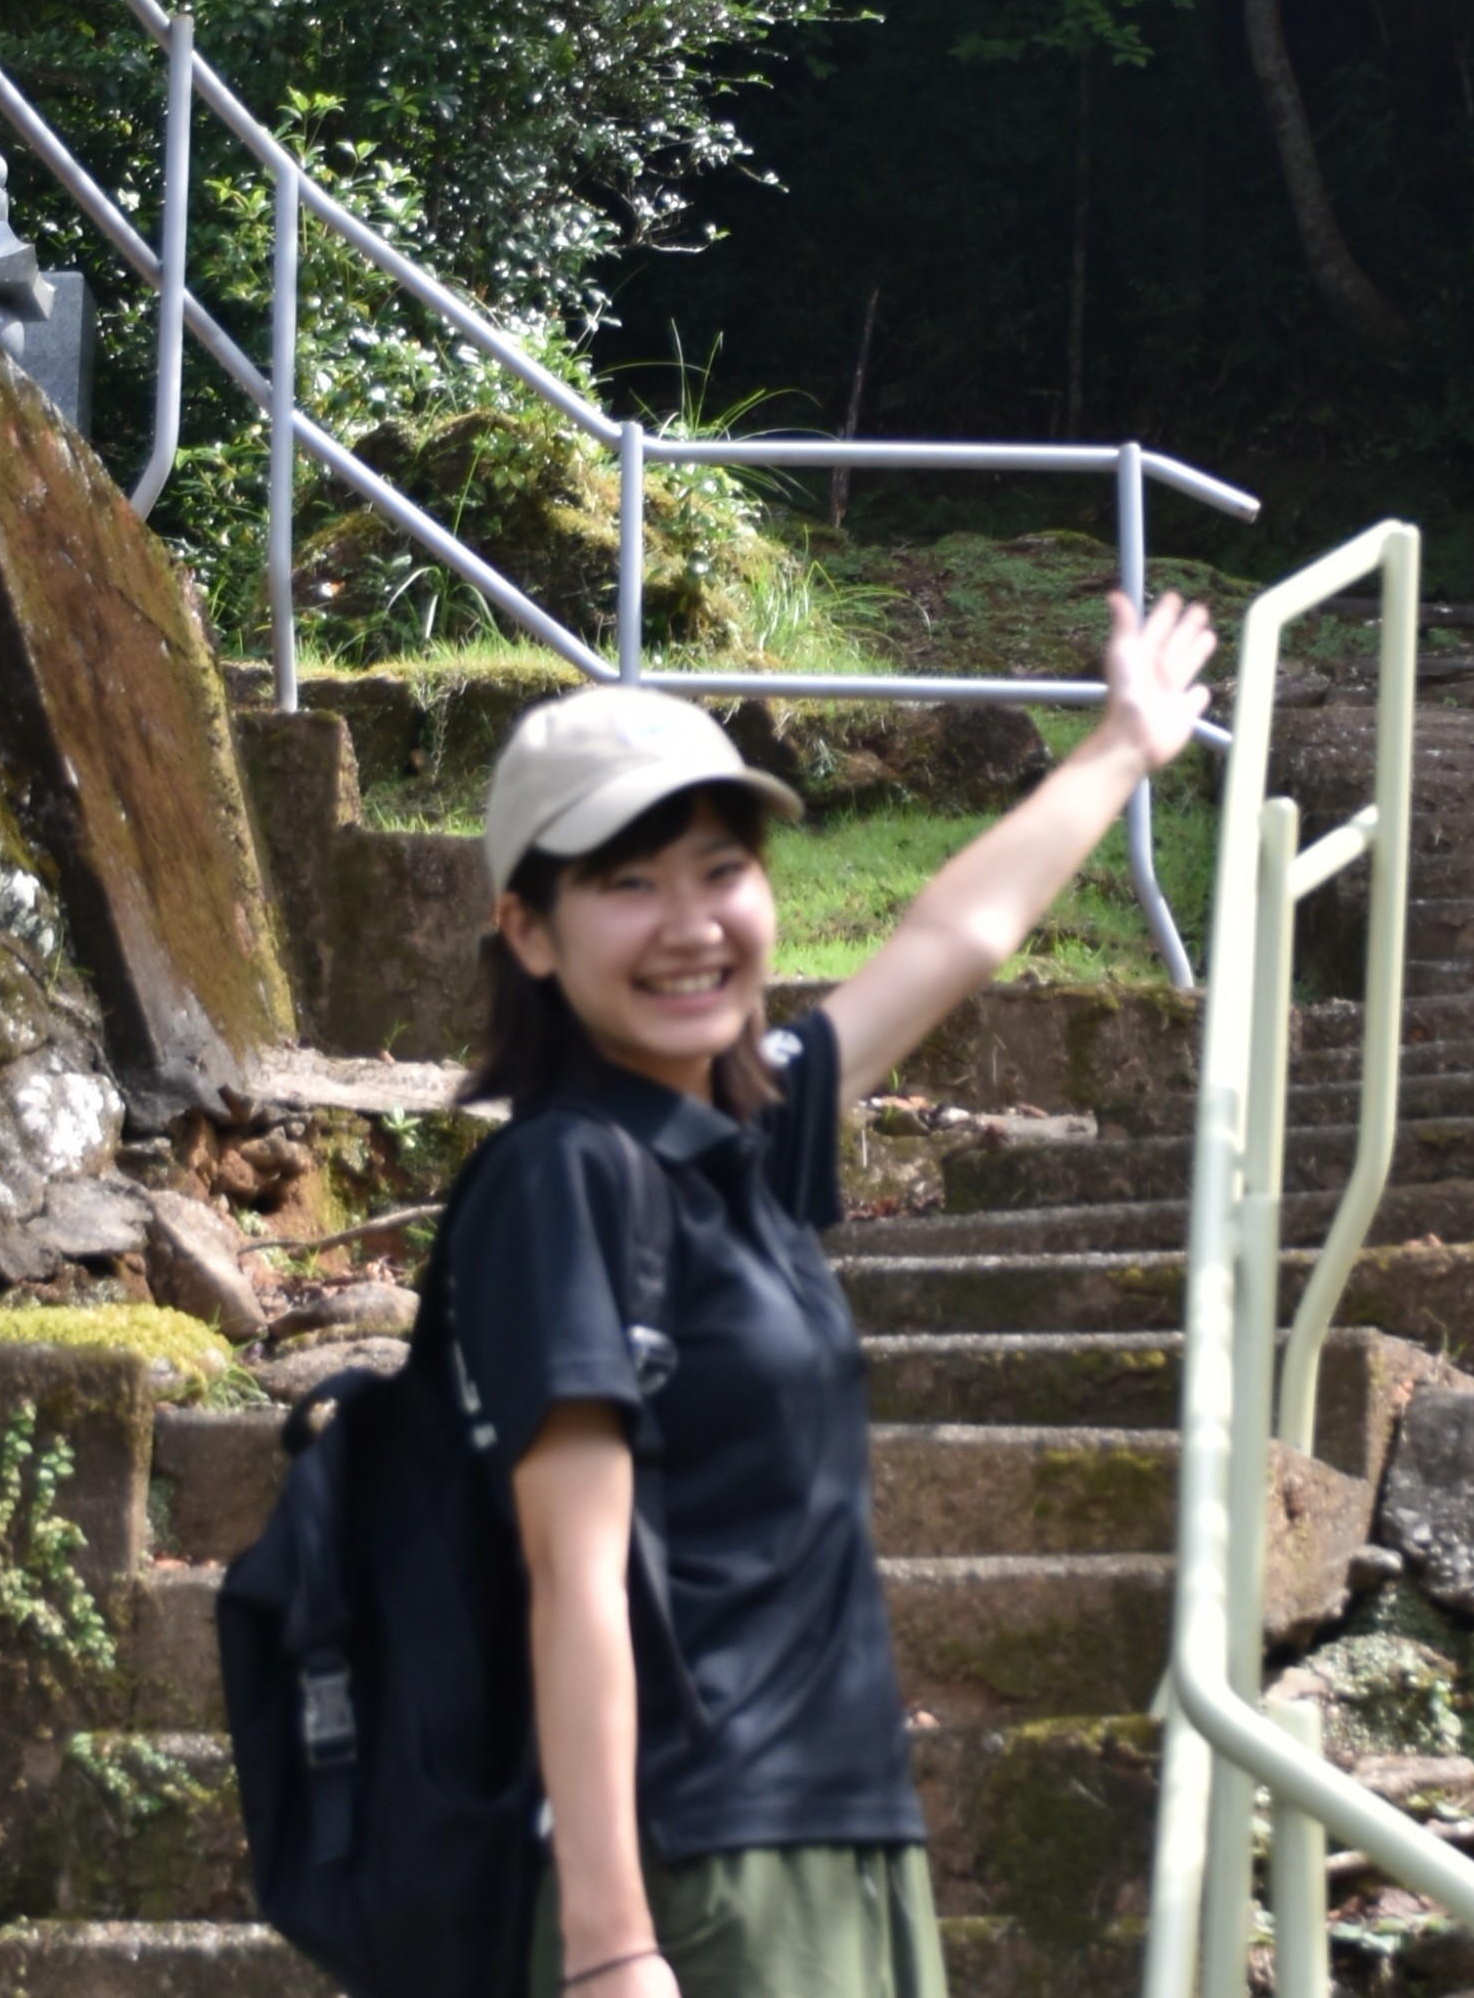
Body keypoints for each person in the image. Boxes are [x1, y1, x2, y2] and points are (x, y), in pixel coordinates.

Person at [443, 590, 1219, 1998]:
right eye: (628, 883)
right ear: (532, 932)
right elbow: (575, 1574)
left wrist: (1122, 745)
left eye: (719, 868)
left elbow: (952, 938)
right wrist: (614, 1945)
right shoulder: (567, 1181)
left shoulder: (729, 1140)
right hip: (703, 1864)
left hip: (840, 1831)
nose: (691, 923)